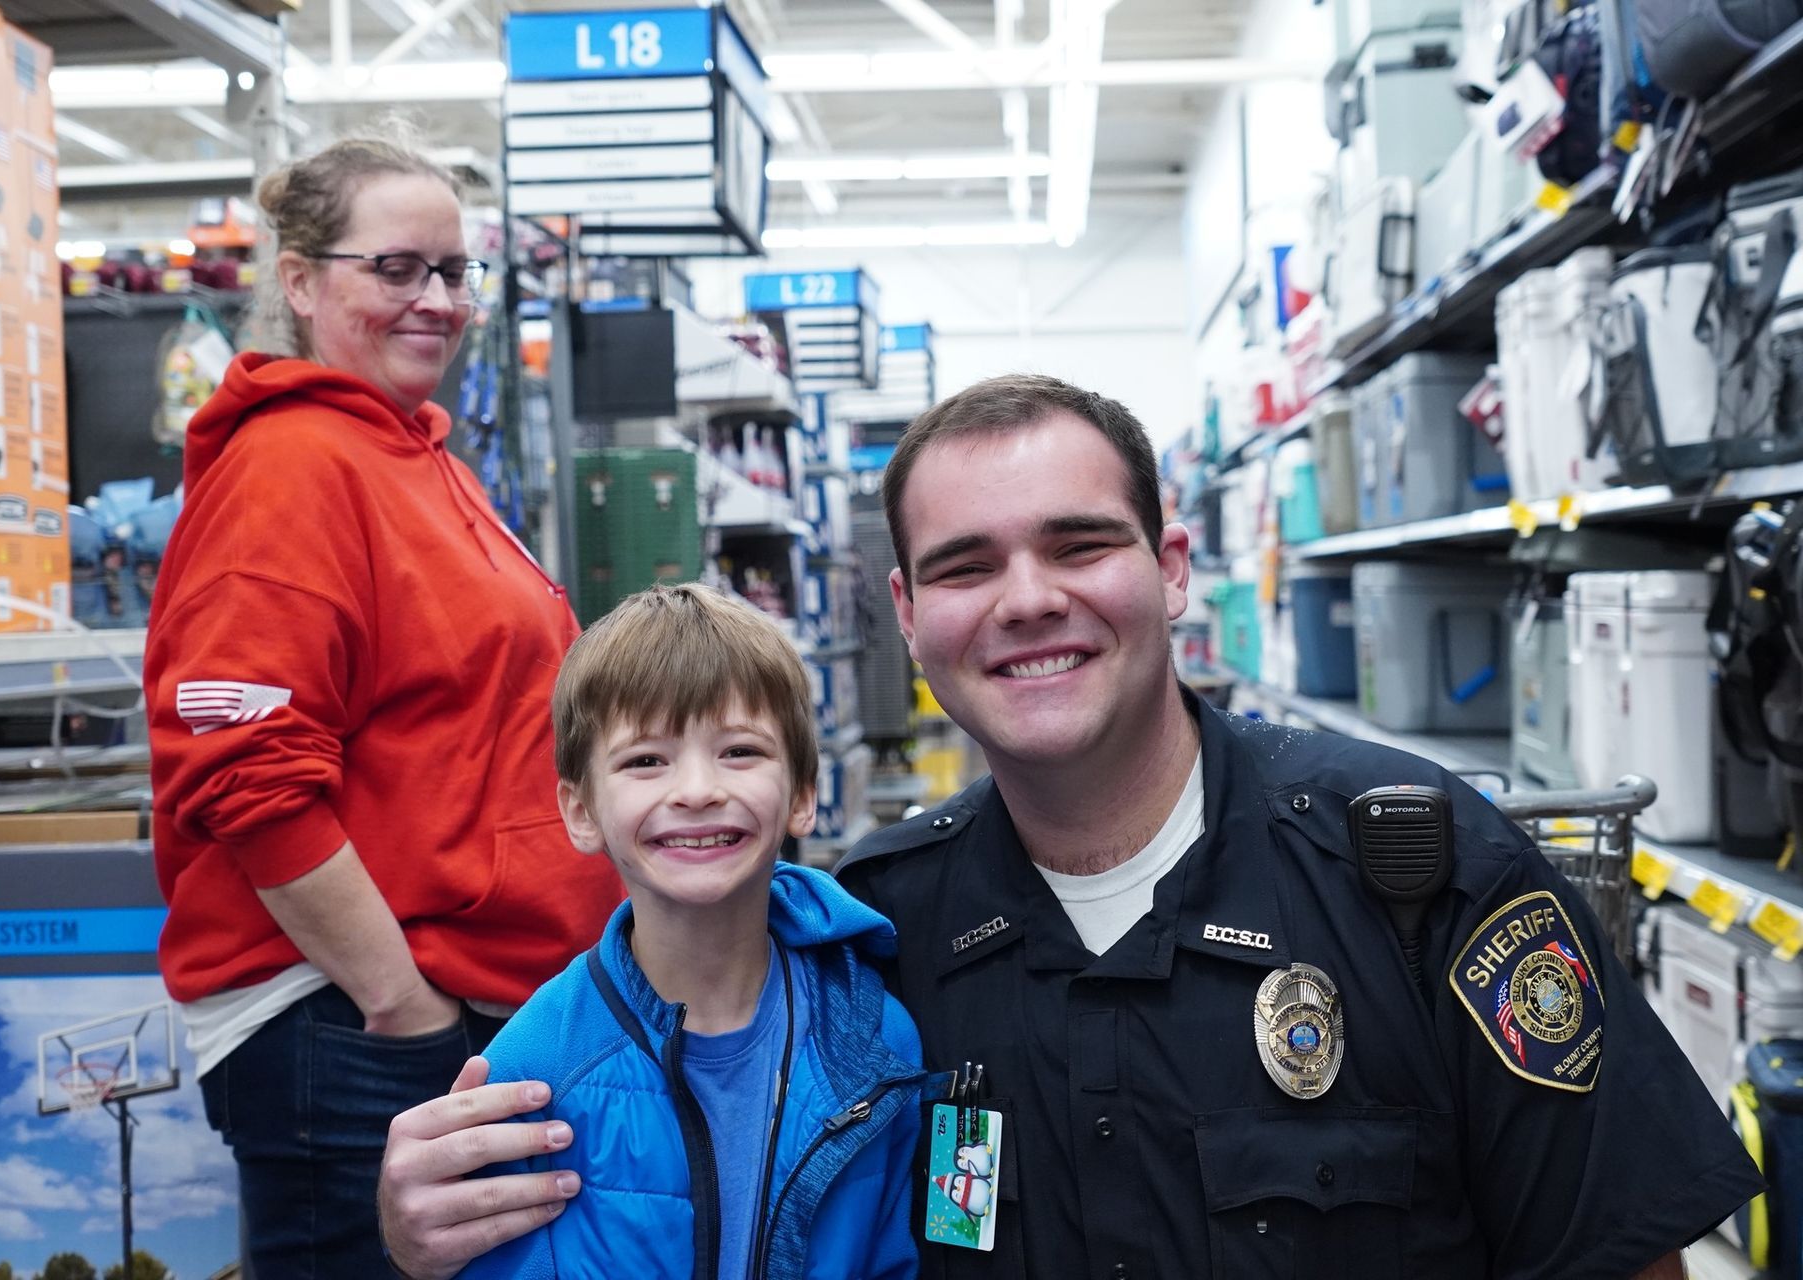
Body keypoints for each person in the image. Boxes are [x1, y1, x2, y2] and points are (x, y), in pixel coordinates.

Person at [377, 375, 1760, 1280]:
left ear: (1170, 570)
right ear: (913, 624)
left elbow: (1616, 1256)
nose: (1027, 600)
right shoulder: (876, 944)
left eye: (1078, 545)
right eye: (967, 568)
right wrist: (430, 1214)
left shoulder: (1416, 868)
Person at [143, 128, 621, 1278]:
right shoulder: (291, 466)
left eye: (454, 272)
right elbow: (247, 767)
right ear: (301, 283)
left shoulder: (412, 455)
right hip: (353, 1029)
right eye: (396, 269)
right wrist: (400, 1006)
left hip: (435, 1010)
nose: (437, 300)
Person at [459, 584, 923, 1280]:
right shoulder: (531, 1072)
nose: (698, 789)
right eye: (646, 760)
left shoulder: (874, 1038)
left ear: (803, 794)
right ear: (581, 811)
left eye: (739, 751)